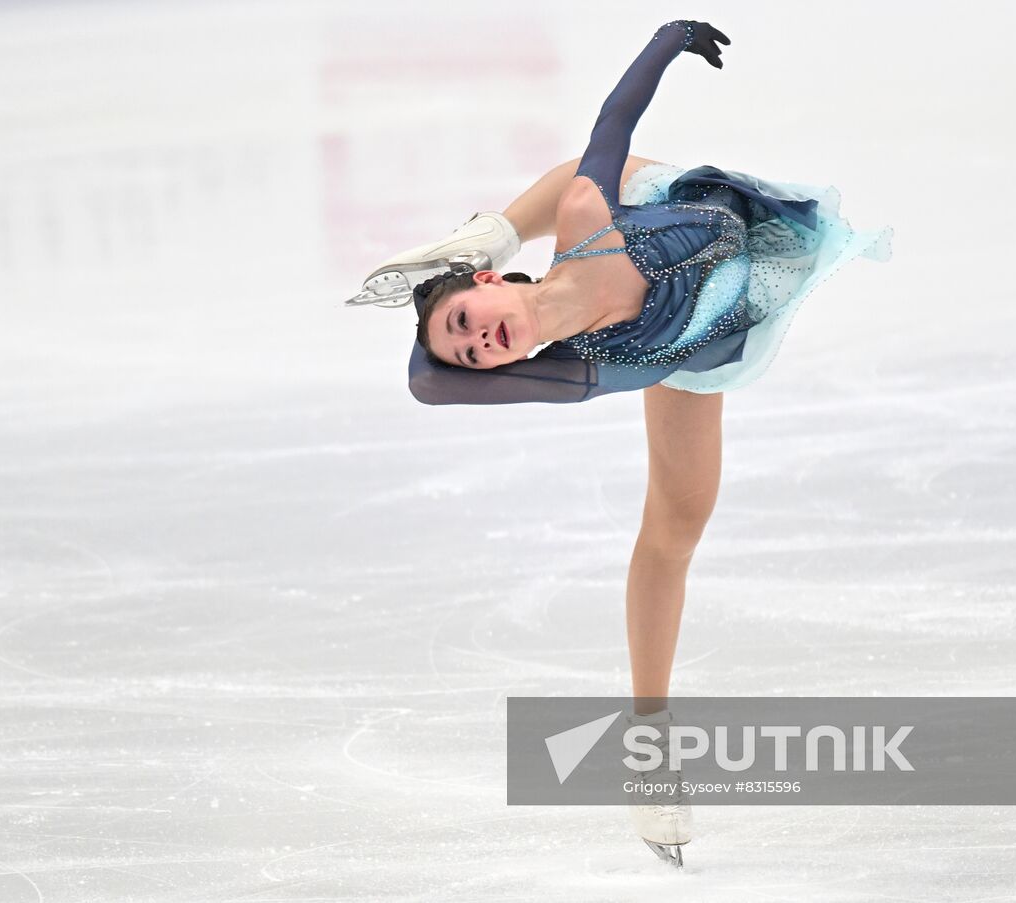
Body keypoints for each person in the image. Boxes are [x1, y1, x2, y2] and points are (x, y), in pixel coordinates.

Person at [349, 20, 892, 868]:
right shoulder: (562, 372)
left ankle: (490, 229)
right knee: (674, 533)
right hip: (702, 345)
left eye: (468, 319)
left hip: (704, 217)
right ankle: (650, 748)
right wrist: (442, 318)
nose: (479, 342)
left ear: (492, 284)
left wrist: (668, 40)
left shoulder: (582, 221)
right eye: (473, 351)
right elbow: (426, 378)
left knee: (597, 175)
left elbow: (612, 123)